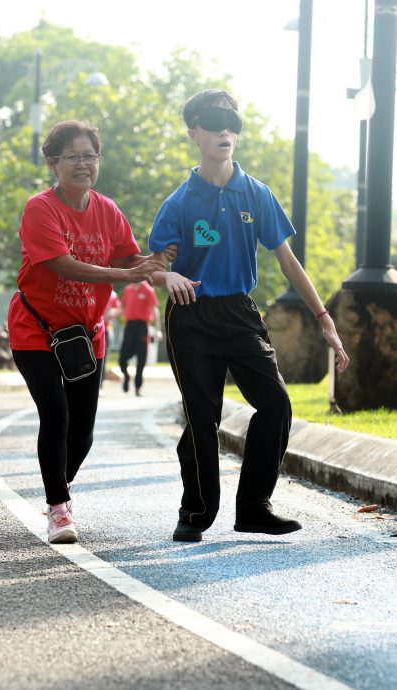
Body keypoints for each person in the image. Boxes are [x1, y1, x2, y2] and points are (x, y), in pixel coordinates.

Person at [149, 89, 350, 543]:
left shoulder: (255, 193)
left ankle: (254, 507)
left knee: (276, 404)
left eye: (232, 123)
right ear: (194, 132)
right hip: (191, 315)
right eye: (215, 122)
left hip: (240, 313)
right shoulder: (179, 203)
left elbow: (288, 261)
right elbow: (155, 267)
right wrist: (168, 279)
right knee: (202, 417)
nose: (225, 131)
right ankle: (195, 513)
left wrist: (324, 318)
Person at [7, 119, 171, 544]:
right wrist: (124, 273)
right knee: (56, 413)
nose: (84, 164)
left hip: (87, 333)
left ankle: (55, 486)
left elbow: (134, 259)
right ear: (52, 163)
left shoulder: (108, 210)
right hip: (36, 328)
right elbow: (62, 265)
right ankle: (59, 510)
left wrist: (160, 267)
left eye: (90, 156)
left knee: (83, 431)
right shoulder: (40, 208)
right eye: (73, 156)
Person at [118, 280, 161, 396]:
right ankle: (126, 376)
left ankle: (137, 387)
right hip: (129, 326)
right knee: (122, 358)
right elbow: (122, 308)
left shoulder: (148, 290)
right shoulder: (128, 289)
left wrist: (157, 330)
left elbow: (155, 310)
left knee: (141, 359)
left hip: (142, 327)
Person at [100, 289, 122, 391]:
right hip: (89, 329)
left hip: (106, 329)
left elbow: (118, 309)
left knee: (103, 358)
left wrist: (111, 313)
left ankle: (100, 385)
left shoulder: (113, 294)